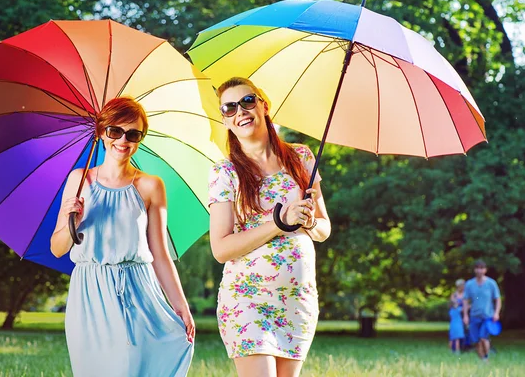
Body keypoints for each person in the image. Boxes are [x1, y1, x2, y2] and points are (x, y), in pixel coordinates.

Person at [50, 97, 194, 377]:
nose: (123, 140)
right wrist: (72, 222)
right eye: (115, 131)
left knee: (132, 366)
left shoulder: (151, 185)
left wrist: (182, 307)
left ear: (140, 138)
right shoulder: (79, 181)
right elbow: (57, 249)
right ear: (101, 132)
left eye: (133, 134)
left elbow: (160, 253)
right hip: (89, 291)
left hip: (137, 287)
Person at [208, 77, 331, 377]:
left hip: (297, 299)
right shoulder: (225, 172)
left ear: (264, 105)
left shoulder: (301, 158)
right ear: (225, 121)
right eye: (229, 107)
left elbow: (324, 229)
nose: (241, 111)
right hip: (248, 299)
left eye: (248, 101)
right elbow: (221, 249)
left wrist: (310, 221)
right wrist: (279, 222)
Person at [462, 260, 501, 362]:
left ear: (485, 270)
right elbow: (465, 300)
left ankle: (486, 357)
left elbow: (497, 299)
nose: (479, 270)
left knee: (484, 337)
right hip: (474, 316)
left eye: (481, 268)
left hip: (488, 316)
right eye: (477, 268)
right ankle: (482, 359)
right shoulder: (469, 284)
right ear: (475, 270)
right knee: (476, 341)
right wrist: (465, 315)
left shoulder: (491, 283)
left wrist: (496, 313)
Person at [448, 279, 466, 353]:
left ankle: (461, 347)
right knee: (456, 333)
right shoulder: (454, 295)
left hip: (462, 315)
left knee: (460, 333)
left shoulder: (465, 294)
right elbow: (453, 305)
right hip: (456, 315)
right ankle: (455, 349)